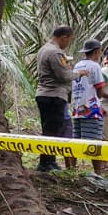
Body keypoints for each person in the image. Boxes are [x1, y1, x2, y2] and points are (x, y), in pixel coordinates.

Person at [33, 26, 75, 171]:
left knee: (48, 129)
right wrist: (78, 73)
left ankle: (49, 161)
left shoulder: (44, 49)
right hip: (54, 95)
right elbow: (63, 75)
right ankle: (46, 163)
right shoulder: (55, 52)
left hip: (44, 94)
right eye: (69, 40)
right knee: (52, 130)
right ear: (64, 37)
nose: (68, 43)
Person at [68, 39, 108, 174]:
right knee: (94, 142)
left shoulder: (78, 65)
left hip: (77, 108)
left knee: (76, 140)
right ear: (97, 51)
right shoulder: (95, 66)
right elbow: (100, 90)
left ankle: (71, 169)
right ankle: (99, 172)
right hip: (91, 110)